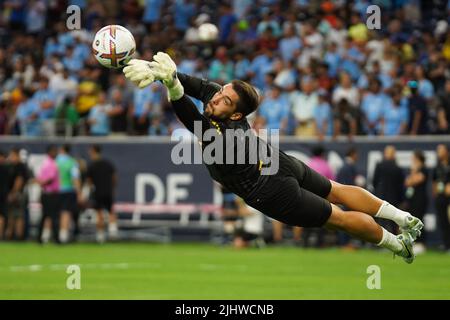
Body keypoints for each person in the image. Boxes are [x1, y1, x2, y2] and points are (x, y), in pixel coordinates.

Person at [123, 52, 424, 263]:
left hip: (269, 189)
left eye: (224, 99)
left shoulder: (226, 137)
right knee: (336, 190)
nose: (215, 98)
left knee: (339, 218)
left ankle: (398, 244)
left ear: (237, 114)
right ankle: (402, 217)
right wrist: (159, 72)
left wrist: (172, 85)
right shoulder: (224, 102)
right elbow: (198, 87)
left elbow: (191, 118)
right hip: (275, 160)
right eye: (220, 93)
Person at [86, 145, 118, 243]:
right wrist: (112, 187)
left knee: (99, 213)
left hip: (98, 192)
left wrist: (91, 189)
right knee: (111, 211)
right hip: (108, 191)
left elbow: (89, 181)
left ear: (94, 151)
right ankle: (113, 232)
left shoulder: (92, 165)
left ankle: (100, 236)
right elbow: (114, 177)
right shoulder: (108, 164)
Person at [372, 146, 405, 234]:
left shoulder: (379, 166)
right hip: (393, 199)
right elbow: (400, 186)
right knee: (394, 221)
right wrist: (401, 200)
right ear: (394, 155)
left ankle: (379, 242)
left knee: (381, 222)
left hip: (380, 198)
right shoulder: (398, 169)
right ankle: (396, 242)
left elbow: (374, 181)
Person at [56, 145, 82, 243]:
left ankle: (47, 234)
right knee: (65, 213)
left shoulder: (54, 161)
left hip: (54, 191)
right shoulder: (72, 162)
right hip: (67, 190)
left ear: (61, 150)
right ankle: (63, 236)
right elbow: (75, 178)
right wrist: (79, 193)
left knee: (52, 214)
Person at [404, 150, 428, 254]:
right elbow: (407, 182)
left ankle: (421, 243)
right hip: (412, 199)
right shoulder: (412, 170)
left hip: (420, 198)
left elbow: (417, 180)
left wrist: (414, 173)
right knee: (412, 221)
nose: (412, 160)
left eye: (414, 158)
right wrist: (413, 173)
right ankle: (413, 242)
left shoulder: (424, 169)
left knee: (419, 220)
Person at [37, 145, 60, 243]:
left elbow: (39, 178)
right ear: (50, 152)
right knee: (53, 216)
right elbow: (50, 179)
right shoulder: (51, 164)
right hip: (51, 194)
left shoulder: (44, 163)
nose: (56, 153)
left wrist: (41, 183)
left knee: (45, 216)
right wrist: (44, 183)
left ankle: (40, 238)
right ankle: (56, 238)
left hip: (45, 193)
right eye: (54, 151)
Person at [5, 148, 29, 240]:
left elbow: (19, 180)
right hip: (17, 193)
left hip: (18, 194)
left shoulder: (20, 167)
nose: (10, 157)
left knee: (18, 215)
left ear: (17, 155)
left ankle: (18, 236)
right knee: (12, 215)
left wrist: (14, 192)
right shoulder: (13, 166)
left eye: (12, 155)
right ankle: (11, 234)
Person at [432, 144, 450, 252]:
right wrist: (435, 192)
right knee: (443, 222)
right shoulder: (437, 166)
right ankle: (446, 244)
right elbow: (434, 181)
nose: (439, 152)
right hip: (441, 198)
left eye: (441, 150)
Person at [0, 150, 10, 240]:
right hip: (3, 194)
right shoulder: (7, 168)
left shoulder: (6, 168)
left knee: (2, 216)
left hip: (3, 195)